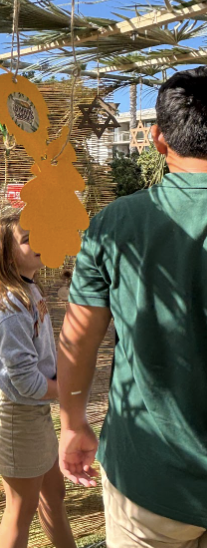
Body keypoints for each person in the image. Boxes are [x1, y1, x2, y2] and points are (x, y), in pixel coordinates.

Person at [58, 66, 207, 547]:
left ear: (158, 139)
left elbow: (77, 339)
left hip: (148, 481)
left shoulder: (115, 224)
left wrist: (73, 423)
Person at [0, 213, 77, 548]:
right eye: (27, 238)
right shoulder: (9, 304)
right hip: (16, 415)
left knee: (54, 495)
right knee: (22, 508)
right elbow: (26, 381)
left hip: (34, 411)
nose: (40, 241)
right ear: (6, 254)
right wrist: (67, 391)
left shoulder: (27, 289)